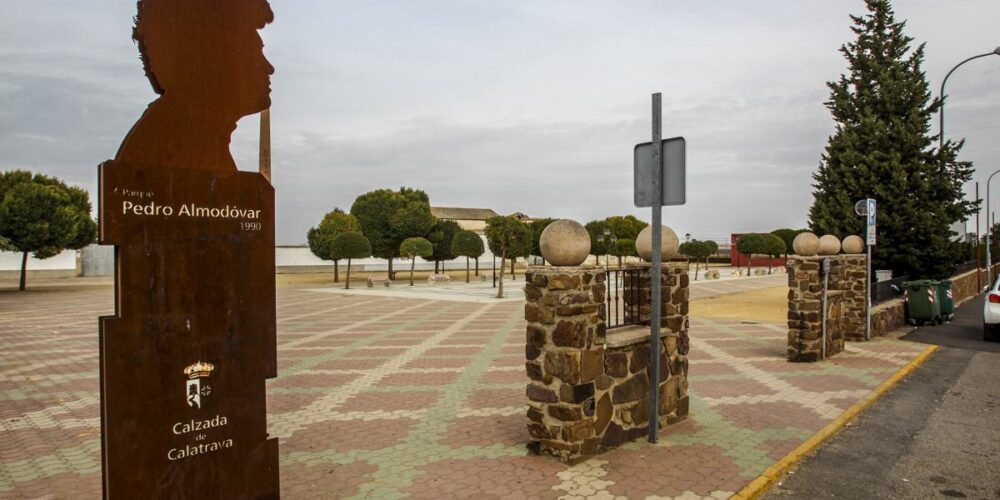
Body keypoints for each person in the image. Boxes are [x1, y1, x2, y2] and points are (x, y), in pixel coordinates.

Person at [116, 0, 274, 172]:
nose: (269, 68)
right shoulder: (166, 147)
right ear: (214, 59)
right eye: (253, 54)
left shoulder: (198, 144)